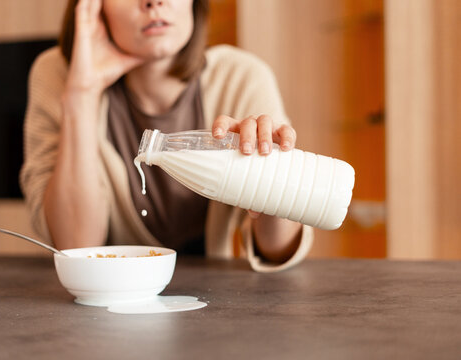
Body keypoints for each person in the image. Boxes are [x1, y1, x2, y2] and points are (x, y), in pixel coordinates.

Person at [20, 0, 313, 272]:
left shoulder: (241, 76)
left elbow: (277, 251)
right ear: (94, 8)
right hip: (102, 309)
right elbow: (76, 245)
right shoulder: (59, 74)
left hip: (215, 308)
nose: (153, 2)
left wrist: (275, 181)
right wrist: (82, 94)